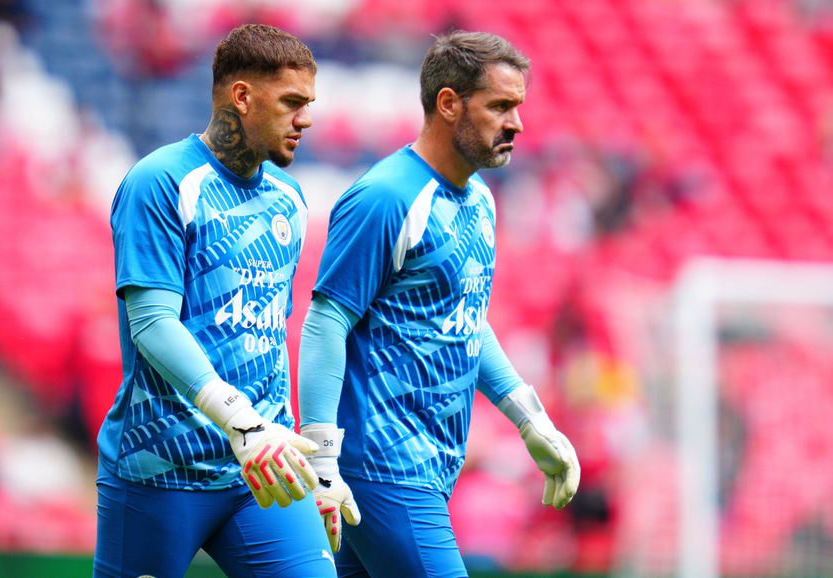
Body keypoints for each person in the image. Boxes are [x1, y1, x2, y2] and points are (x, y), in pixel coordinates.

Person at [297, 30, 581, 577]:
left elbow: (467, 321)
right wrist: (322, 455)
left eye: (518, 107)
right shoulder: (386, 197)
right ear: (449, 104)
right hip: (384, 465)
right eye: (500, 106)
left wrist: (530, 420)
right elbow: (326, 320)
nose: (517, 123)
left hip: (431, 466)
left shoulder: (479, 202)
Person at [94, 23, 336, 578]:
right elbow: (152, 323)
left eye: (309, 104)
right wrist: (240, 422)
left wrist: (315, 464)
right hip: (160, 469)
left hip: (262, 472)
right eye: (292, 102)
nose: (307, 119)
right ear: (243, 97)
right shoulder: (160, 181)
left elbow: (271, 340)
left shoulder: (289, 198)